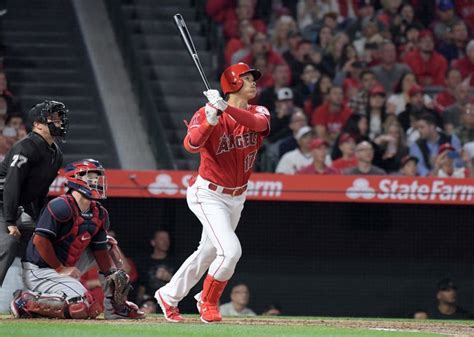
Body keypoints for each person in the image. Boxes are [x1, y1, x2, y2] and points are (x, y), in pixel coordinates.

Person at [155, 62, 270, 324]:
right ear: (233, 83)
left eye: (253, 79)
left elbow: (259, 123)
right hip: (208, 193)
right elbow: (191, 144)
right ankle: (206, 300)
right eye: (247, 78)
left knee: (207, 253)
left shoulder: (258, 110)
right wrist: (209, 120)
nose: (253, 82)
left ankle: (168, 295)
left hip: (237, 196)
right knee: (230, 252)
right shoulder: (208, 112)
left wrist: (226, 107)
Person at [10, 159, 144, 319]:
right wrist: (60, 269)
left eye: (97, 178)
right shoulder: (60, 206)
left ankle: (115, 309)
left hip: (67, 265)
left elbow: (100, 251)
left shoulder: (99, 213)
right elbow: (40, 241)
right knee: (81, 307)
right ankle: (25, 302)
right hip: (40, 269)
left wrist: (112, 278)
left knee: (108, 246)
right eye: (91, 178)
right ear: (76, 178)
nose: (96, 182)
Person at [0, 100, 68, 286]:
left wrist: (41, 221)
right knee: (9, 242)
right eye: (52, 119)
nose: (58, 122)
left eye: (59, 118)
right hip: (3, 202)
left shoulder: (56, 153)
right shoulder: (27, 146)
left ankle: (33, 296)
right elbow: (11, 185)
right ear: (37, 124)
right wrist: (10, 222)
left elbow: (39, 191)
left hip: (20, 206)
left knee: (43, 241)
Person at [136, 229, 176, 303]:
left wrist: (170, 278)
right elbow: (142, 287)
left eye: (167, 239)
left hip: (170, 301)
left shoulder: (175, 261)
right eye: (161, 239)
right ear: (153, 242)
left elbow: (182, 286)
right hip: (151, 301)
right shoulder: (145, 263)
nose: (166, 242)